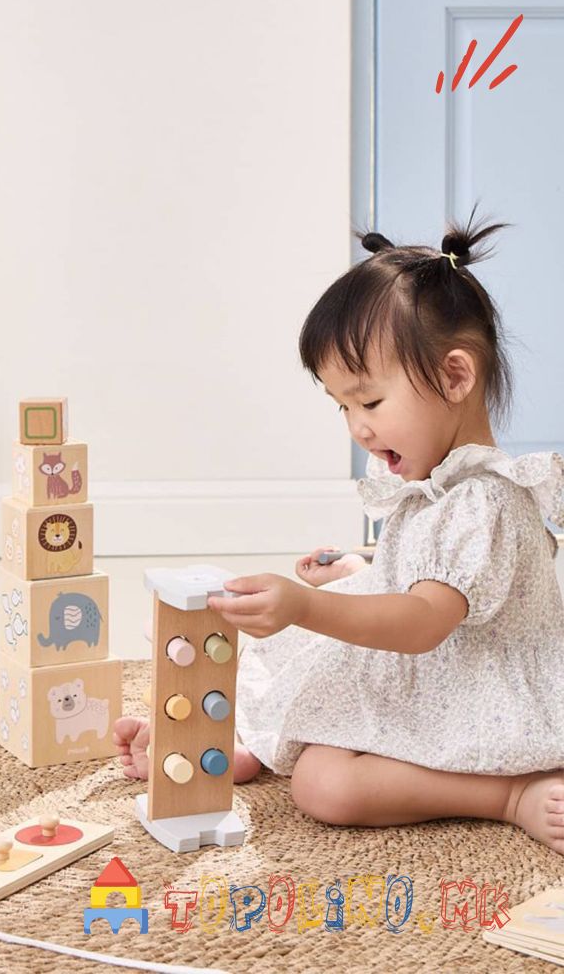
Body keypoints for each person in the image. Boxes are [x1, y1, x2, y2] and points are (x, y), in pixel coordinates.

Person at [114, 213, 564, 855]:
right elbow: (438, 575)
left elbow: (424, 621)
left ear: (456, 377)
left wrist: (305, 606)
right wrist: (362, 570)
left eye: (370, 402)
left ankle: (509, 794)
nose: (357, 427)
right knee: (290, 659)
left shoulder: (485, 499)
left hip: (481, 688)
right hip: (440, 661)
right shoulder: (438, 484)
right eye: (343, 407)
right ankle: (236, 742)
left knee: (325, 783)